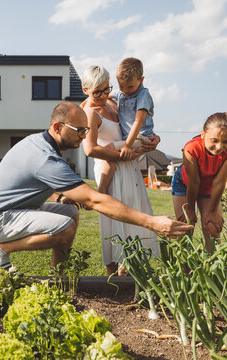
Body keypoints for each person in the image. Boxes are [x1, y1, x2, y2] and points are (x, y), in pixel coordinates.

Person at [0, 101, 193, 272]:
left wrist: (61, 198)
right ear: (57, 127)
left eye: (86, 130)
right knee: (64, 226)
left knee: (69, 212)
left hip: (12, 211)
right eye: (79, 130)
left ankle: (57, 275)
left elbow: (33, 183)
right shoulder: (45, 158)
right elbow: (95, 200)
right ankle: (0, 250)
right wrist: (152, 222)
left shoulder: (39, 144)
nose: (85, 136)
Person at [81, 66, 160, 276]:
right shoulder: (90, 113)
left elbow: (133, 127)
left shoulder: (113, 102)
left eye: (107, 89)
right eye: (97, 92)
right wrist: (121, 152)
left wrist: (154, 138)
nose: (103, 95)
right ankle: (113, 271)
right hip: (112, 167)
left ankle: (133, 267)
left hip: (129, 167)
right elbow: (89, 149)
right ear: (85, 90)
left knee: (133, 214)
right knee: (114, 219)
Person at [172, 112, 227, 252]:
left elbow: (219, 182)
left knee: (212, 227)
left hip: (210, 184)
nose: (219, 146)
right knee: (186, 225)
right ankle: (185, 270)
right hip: (186, 183)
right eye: (214, 140)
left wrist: (214, 210)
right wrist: (190, 209)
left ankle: (212, 268)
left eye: (226, 141)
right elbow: (194, 182)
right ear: (203, 134)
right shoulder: (191, 148)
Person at [96, 57, 157, 194]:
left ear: (141, 80)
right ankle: (109, 190)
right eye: (121, 85)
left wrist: (127, 145)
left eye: (130, 86)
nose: (125, 90)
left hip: (141, 138)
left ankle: (101, 191)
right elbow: (104, 96)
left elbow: (138, 121)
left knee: (108, 150)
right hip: (129, 139)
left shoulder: (143, 95)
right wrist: (85, 105)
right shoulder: (120, 93)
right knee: (113, 159)